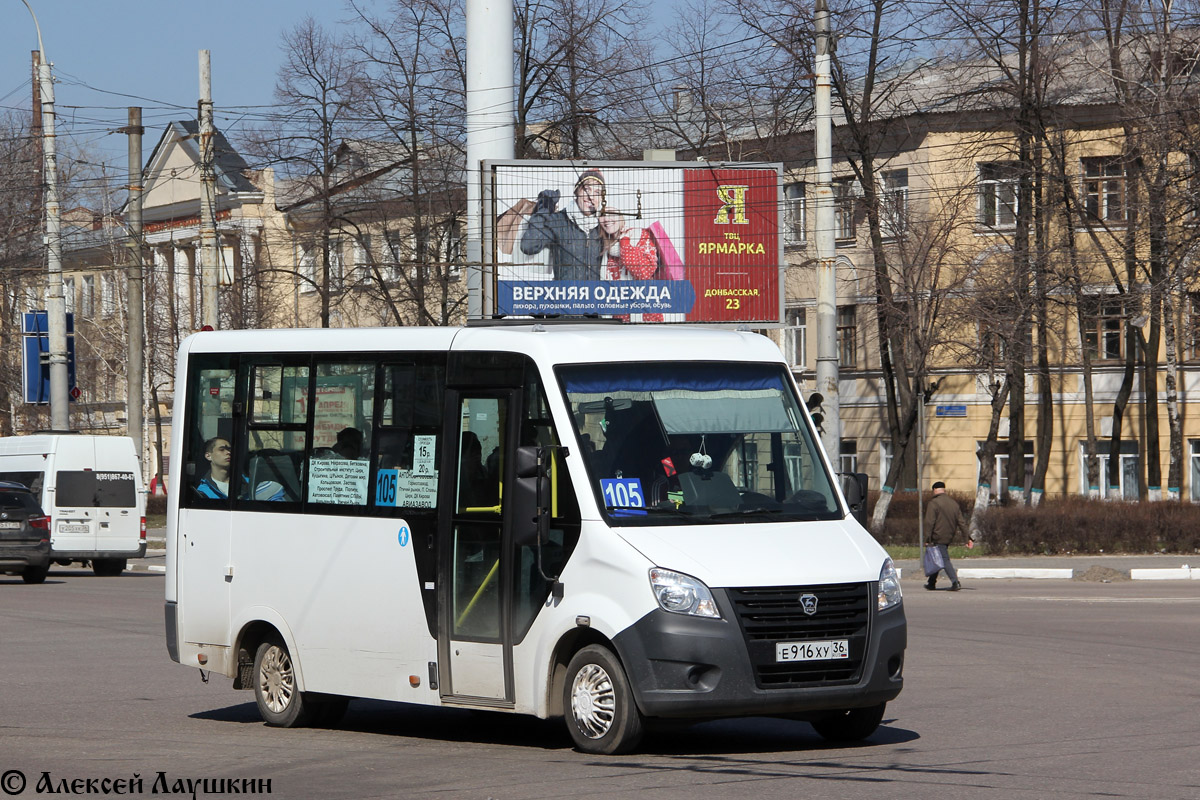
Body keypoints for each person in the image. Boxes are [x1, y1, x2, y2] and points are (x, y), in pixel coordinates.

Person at [519, 169, 606, 281]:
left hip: (595, 296)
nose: (591, 196)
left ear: (601, 199)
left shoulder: (604, 225)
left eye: (597, 193)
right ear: (577, 192)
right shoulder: (558, 221)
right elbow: (529, 246)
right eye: (586, 189)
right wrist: (543, 209)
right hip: (565, 295)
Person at [196, 436, 285, 501]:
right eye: (222, 449)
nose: (228, 452)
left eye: (230, 449)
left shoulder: (253, 485)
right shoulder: (202, 492)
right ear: (208, 456)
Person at [924, 480, 966, 591]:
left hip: (937, 536)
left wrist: (927, 538)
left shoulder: (934, 503)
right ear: (944, 490)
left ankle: (955, 582)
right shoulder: (953, 503)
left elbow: (929, 522)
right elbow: (961, 522)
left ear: (934, 490)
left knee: (943, 559)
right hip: (949, 536)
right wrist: (967, 538)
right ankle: (931, 583)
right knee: (936, 558)